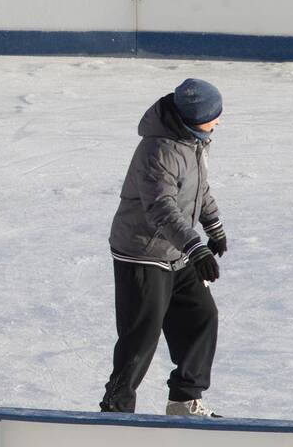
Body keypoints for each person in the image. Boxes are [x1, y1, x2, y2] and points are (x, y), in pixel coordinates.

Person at [100, 79, 226, 417]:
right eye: (213, 116)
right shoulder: (158, 150)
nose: (218, 121)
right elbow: (161, 208)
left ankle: (184, 399)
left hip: (176, 250)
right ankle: (116, 409)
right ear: (194, 118)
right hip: (142, 251)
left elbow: (199, 188)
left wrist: (213, 227)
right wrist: (196, 247)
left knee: (201, 317)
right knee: (140, 338)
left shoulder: (192, 141)